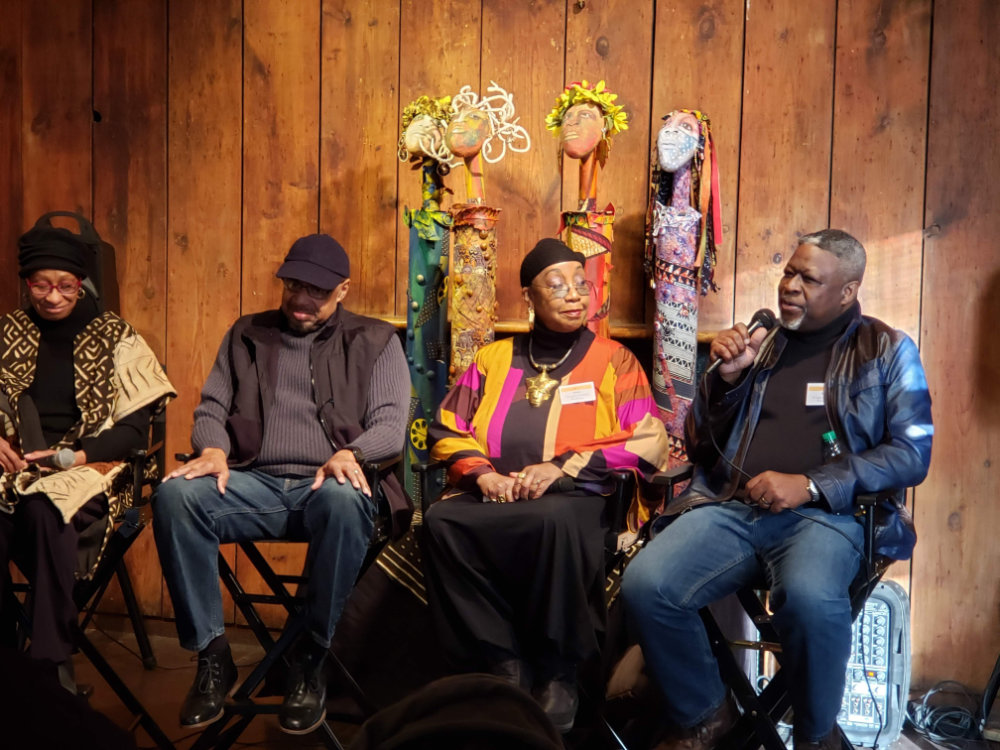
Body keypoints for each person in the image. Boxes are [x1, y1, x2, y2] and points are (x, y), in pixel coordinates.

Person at [622, 229, 934, 750]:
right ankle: (704, 714)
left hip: (830, 518)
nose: (790, 285)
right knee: (646, 585)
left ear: (847, 291)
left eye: (809, 278)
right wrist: (724, 382)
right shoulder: (761, 345)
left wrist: (811, 484)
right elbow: (701, 445)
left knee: (810, 599)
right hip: (733, 508)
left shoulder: (885, 349)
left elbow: (911, 453)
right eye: (789, 272)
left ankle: (815, 736)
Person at [153, 233, 410, 734]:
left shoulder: (376, 340)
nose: (301, 299)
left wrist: (351, 453)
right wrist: (213, 450)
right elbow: (212, 407)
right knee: (176, 494)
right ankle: (212, 655)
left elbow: (390, 426)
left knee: (343, 499)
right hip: (255, 482)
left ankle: (311, 657)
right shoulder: (247, 333)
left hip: (327, 487)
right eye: (293, 286)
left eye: (317, 291)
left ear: (343, 290)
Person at [421, 237, 668, 734]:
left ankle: (560, 671)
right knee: (441, 520)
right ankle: (502, 662)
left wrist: (563, 468)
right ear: (528, 298)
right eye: (556, 285)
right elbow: (446, 426)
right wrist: (484, 474)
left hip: (576, 497)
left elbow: (648, 438)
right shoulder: (492, 359)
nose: (574, 294)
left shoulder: (615, 360)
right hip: (496, 493)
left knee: (553, 520)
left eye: (581, 284)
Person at [0, 224, 174, 691]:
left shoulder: (117, 337)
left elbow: (134, 431)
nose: (53, 296)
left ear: (82, 283)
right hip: (15, 465)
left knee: (46, 511)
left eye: (65, 285)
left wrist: (72, 457)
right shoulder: (7, 331)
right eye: (41, 285)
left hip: (91, 466)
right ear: (27, 284)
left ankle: (50, 666)